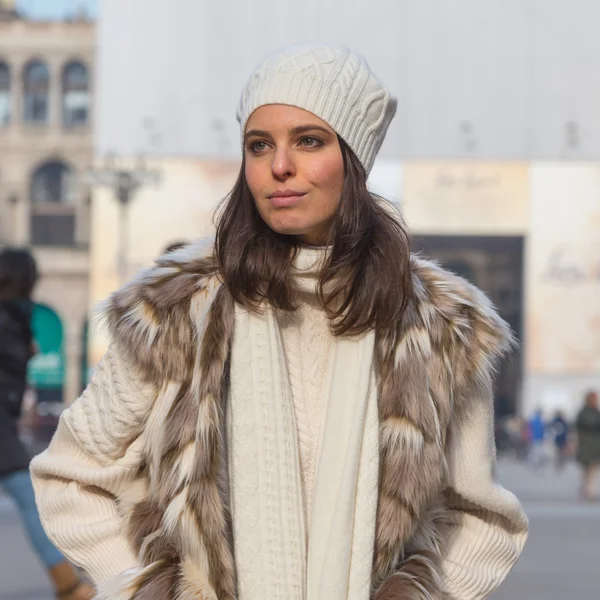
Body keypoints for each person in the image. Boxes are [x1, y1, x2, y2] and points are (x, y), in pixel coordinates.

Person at [30, 44, 528, 600]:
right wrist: (141, 586)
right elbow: (71, 472)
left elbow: (480, 516)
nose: (279, 166)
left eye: (308, 141)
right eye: (259, 145)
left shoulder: (441, 328)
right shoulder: (174, 311)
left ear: (354, 160)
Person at [0, 248, 94, 600]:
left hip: (4, 425)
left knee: (28, 497)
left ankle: (66, 580)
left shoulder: (13, 317)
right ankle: (66, 582)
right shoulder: (9, 318)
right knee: (28, 497)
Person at [575, 390, 600, 501]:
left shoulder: (592, 412)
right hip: (588, 446)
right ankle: (589, 491)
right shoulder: (586, 413)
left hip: (594, 446)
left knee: (591, 470)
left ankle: (587, 490)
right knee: (589, 470)